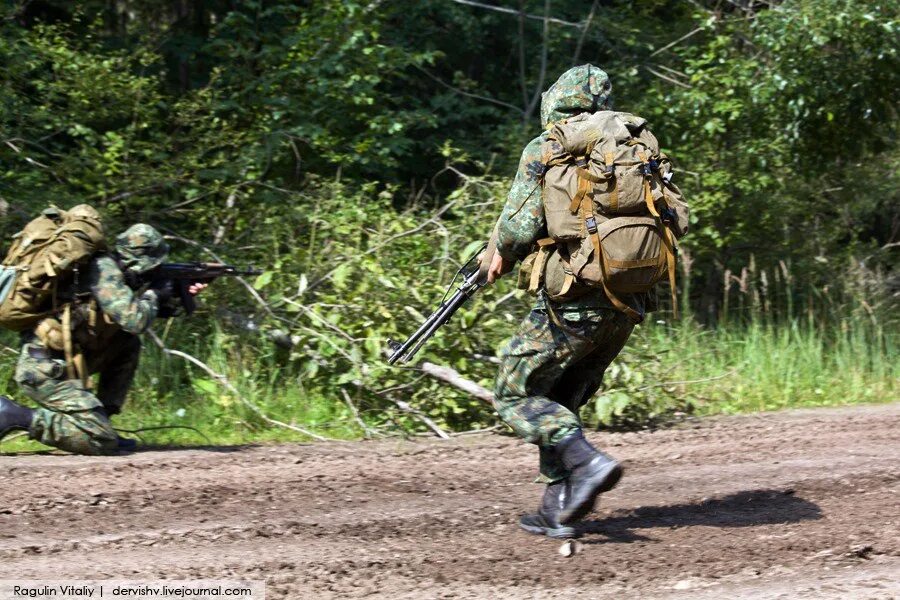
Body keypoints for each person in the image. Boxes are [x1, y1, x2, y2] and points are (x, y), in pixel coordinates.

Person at [484, 65, 653, 539]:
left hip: (575, 298)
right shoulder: (634, 145)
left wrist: (497, 250)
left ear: (557, 100)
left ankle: (588, 464)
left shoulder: (550, 146)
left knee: (514, 391)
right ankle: (558, 507)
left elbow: (518, 228)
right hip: (628, 299)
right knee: (561, 396)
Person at [0, 224, 205, 455]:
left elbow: (126, 318)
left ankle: (101, 419)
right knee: (100, 441)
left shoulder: (113, 270)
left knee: (128, 344)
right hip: (45, 370)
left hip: (67, 359)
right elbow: (135, 320)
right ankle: (16, 416)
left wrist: (173, 296)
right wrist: (154, 293)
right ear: (140, 263)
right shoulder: (104, 271)